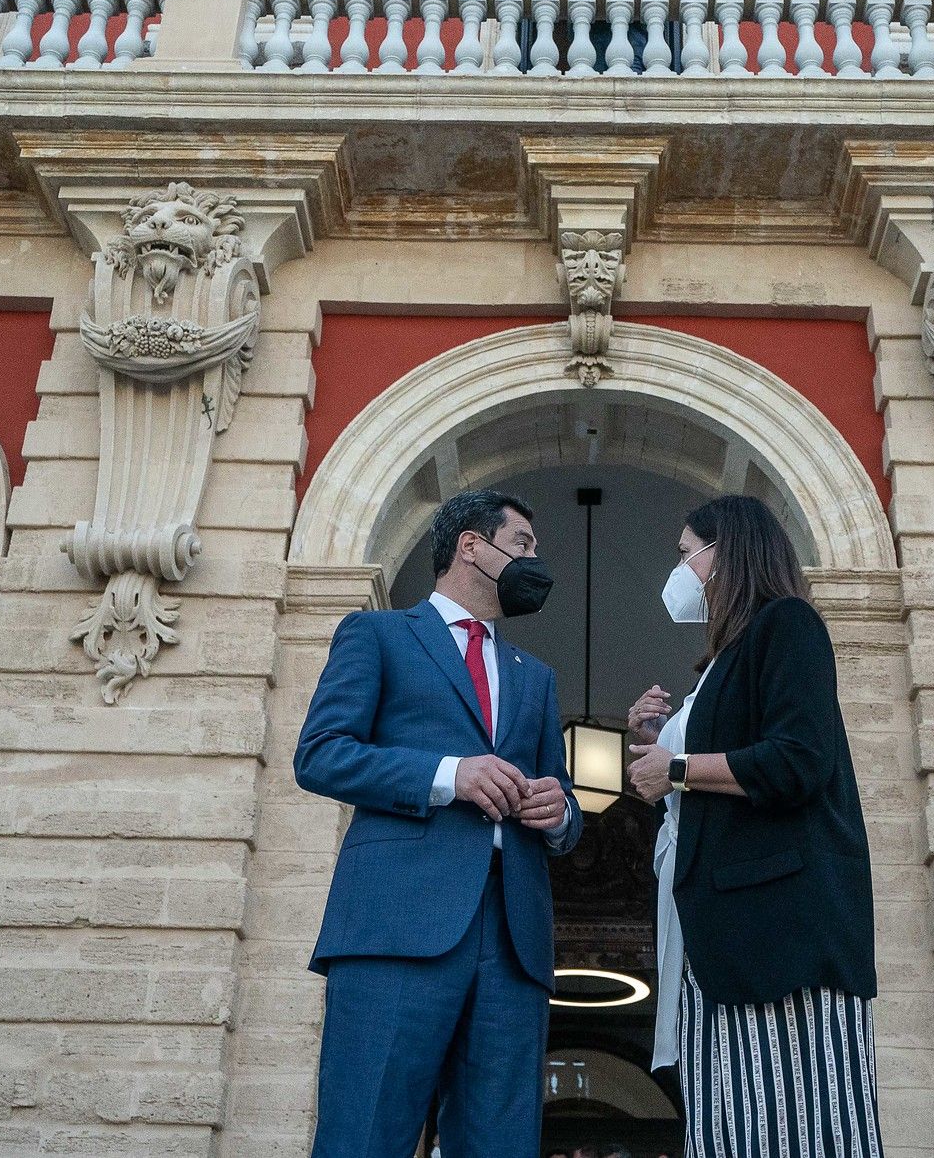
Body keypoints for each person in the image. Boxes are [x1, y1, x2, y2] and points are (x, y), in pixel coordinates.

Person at [296, 489, 583, 1158]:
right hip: (395, 926)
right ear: (471, 546)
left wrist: (558, 810)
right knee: (365, 1134)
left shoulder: (534, 676)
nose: (534, 561)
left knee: (500, 1143)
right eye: (523, 544)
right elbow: (321, 754)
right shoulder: (379, 634)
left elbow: (562, 796)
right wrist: (451, 774)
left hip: (513, 942)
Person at [625, 494, 884, 1157]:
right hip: (722, 942)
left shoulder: (788, 623)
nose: (680, 569)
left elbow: (798, 759)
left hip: (780, 940)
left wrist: (675, 767)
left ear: (725, 552)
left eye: (686, 553)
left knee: (800, 1129)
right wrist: (663, 742)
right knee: (735, 1133)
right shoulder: (719, 665)